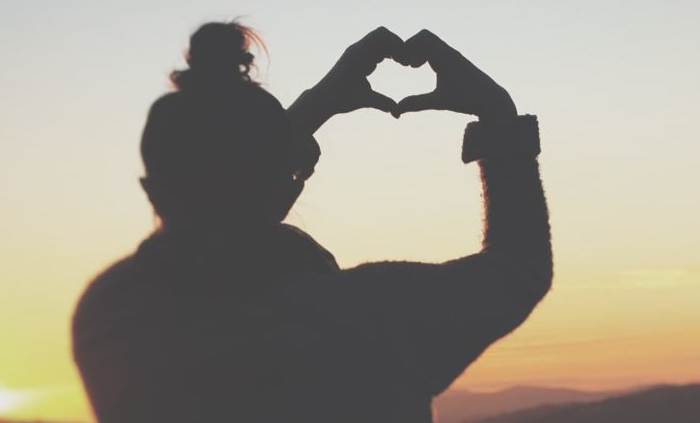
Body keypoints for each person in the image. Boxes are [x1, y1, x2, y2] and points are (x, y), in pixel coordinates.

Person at [71, 22, 551, 423]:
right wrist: (495, 111)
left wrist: (301, 121)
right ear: (288, 188)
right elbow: (518, 267)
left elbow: (221, 214)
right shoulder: (374, 319)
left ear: (152, 190)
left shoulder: (109, 319)